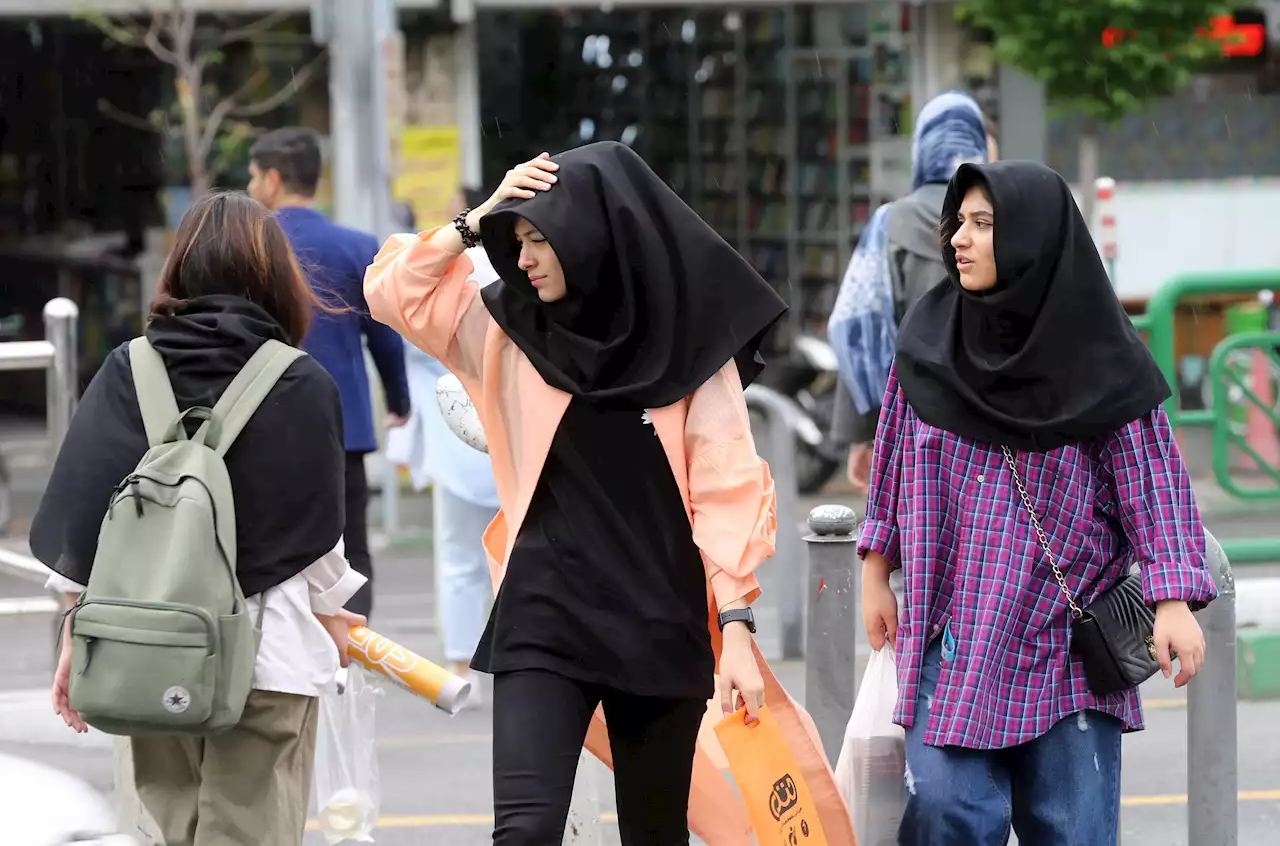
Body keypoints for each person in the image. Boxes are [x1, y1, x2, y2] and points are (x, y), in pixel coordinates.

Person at [365, 142, 854, 845]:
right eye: (519, 240)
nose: (524, 258)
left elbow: (727, 483)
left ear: (591, 236)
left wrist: (740, 624)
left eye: (540, 240)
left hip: (662, 616)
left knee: (655, 835)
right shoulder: (505, 328)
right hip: (544, 616)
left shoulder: (684, 347)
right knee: (525, 832)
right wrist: (477, 221)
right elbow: (392, 292)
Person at [858, 160, 1218, 845]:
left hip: (1064, 648)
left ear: (1032, 239)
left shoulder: (1100, 356)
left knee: (1073, 831)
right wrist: (877, 568)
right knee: (947, 811)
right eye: (959, 221)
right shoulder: (928, 343)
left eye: (983, 224)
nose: (959, 237)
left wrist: (1173, 600)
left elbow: (1154, 481)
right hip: (951, 634)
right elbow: (894, 460)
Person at [34, 191, 367, 846]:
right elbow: (319, 539)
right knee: (251, 830)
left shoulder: (130, 369)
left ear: (179, 269)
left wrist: (78, 634)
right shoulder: (300, 382)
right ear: (275, 274)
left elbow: (84, 515)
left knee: (178, 828)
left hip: (148, 647)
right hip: (267, 656)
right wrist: (335, 612)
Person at [248, 126, 410, 619]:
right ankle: (353, 654)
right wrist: (399, 402)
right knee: (350, 549)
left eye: (254, 177)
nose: (252, 188)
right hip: (345, 427)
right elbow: (386, 336)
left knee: (273, 543)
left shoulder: (251, 244)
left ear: (273, 179)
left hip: (264, 424)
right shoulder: (357, 247)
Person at [828, 91, 989, 493]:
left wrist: (864, 436)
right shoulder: (1003, 216)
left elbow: (859, 327)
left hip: (912, 432)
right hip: (996, 429)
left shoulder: (889, 223)